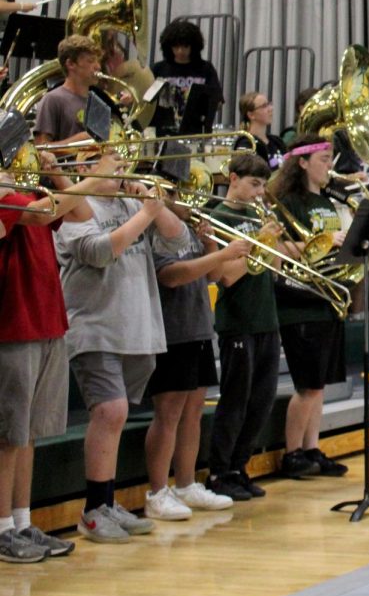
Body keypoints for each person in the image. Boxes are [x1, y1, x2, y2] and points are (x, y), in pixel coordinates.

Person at [0, 147, 125, 561]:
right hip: (13, 325)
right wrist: (98, 174)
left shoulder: (32, 190)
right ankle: (2, 529)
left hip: (48, 322)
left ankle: (22, 521)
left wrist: (57, 175)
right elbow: (40, 214)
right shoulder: (6, 194)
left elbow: (77, 215)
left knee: (30, 433)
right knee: (8, 435)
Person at [55, 167, 192, 542]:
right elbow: (98, 252)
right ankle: (94, 510)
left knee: (116, 416)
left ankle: (108, 500)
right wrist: (145, 214)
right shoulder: (73, 205)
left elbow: (179, 240)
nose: (120, 173)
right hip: (94, 327)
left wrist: (152, 203)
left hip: (136, 328)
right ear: (85, 168)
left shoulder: (130, 201)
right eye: (112, 165)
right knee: (110, 411)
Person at [141, 208, 249, 520]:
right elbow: (171, 276)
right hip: (172, 330)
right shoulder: (158, 230)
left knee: (193, 412)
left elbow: (214, 277)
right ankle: (157, 492)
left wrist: (211, 246)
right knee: (169, 413)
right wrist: (223, 254)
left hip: (199, 324)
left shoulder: (189, 227)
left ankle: (186, 484)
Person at [268, 136, 350, 479]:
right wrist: (321, 242)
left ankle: (312, 448)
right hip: (298, 300)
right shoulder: (287, 202)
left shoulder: (327, 202)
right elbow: (276, 248)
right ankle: (292, 453)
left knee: (320, 384)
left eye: (330, 158)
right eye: (323, 158)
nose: (328, 164)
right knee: (308, 384)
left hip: (327, 297)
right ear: (302, 162)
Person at [206, 153, 286, 501]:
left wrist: (275, 242)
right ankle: (219, 472)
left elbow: (277, 264)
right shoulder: (219, 217)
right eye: (254, 184)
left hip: (266, 317)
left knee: (261, 402)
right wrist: (261, 244)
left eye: (263, 186)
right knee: (235, 401)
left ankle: (240, 467)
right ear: (233, 178)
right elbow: (227, 276)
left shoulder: (257, 216)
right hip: (238, 321)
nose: (259, 193)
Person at [150, 19, 224, 131]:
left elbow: (218, 101)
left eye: (185, 47)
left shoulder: (206, 69)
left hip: (196, 129)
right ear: (169, 47)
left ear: (193, 47)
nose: (180, 51)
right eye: (176, 47)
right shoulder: (158, 69)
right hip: (164, 129)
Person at [34, 34, 102, 145]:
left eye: (98, 61)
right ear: (70, 64)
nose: (98, 66)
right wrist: (78, 142)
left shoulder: (96, 103)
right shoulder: (52, 99)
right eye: (91, 61)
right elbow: (41, 150)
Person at [233, 92, 286, 169]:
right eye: (264, 106)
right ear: (251, 115)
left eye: (269, 104)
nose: (271, 109)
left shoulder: (277, 141)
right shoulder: (246, 144)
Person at [100, 29, 154, 105]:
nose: (113, 30)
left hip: (112, 98)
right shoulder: (95, 51)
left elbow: (121, 79)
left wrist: (124, 95)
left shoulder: (116, 51)